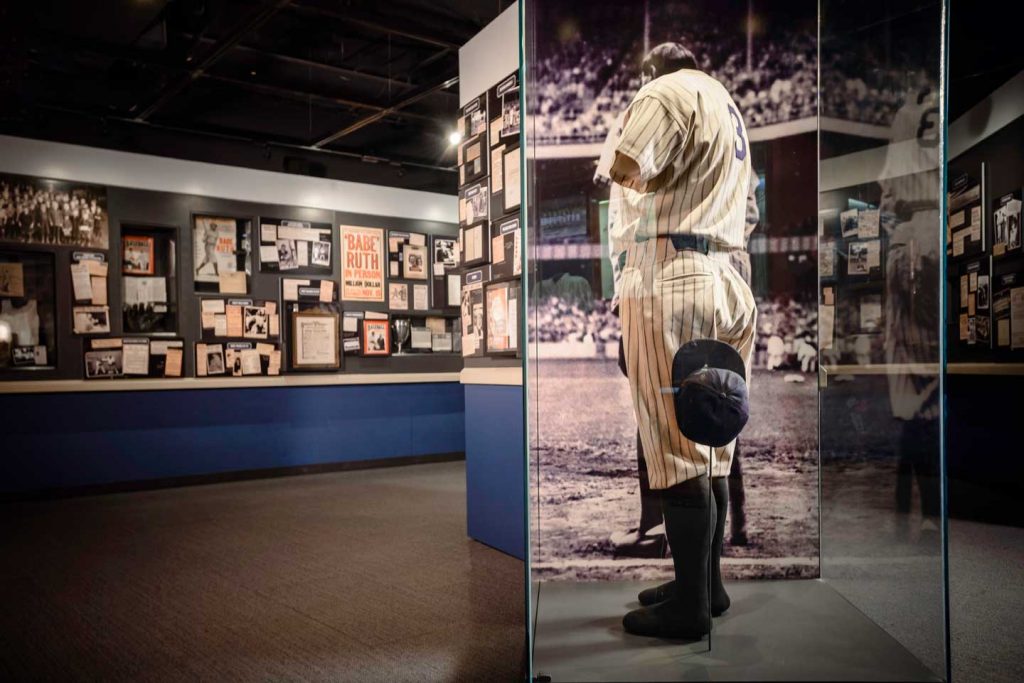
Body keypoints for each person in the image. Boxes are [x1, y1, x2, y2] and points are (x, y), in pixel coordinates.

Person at [610, 41, 757, 639]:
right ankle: (707, 587)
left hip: (673, 275)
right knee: (712, 444)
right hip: (727, 274)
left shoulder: (664, 91)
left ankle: (689, 609)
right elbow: (748, 210)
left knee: (675, 450)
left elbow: (625, 166)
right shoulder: (728, 104)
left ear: (652, 71)